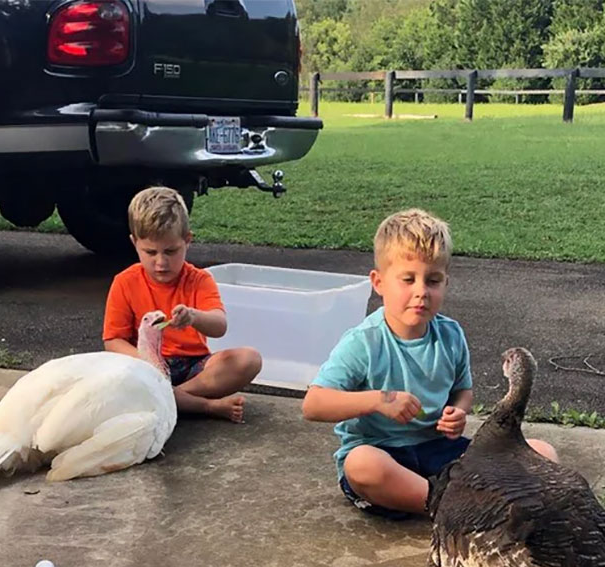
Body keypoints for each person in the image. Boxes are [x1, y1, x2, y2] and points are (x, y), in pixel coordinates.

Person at [302, 208, 557, 519]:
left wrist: (459, 412)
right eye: (407, 279)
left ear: (446, 282)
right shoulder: (363, 342)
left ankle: (463, 504)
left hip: (440, 452)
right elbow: (313, 405)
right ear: (378, 282)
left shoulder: (450, 334)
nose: (421, 291)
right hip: (386, 456)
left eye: (433, 280)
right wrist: (379, 400)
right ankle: (455, 507)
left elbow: (463, 391)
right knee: (362, 465)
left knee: (542, 453)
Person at [102, 186, 261, 422]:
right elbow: (113, 341)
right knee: (105, 378)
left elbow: (219, 325)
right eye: (150, 252)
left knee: (249, 360)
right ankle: (205, 406)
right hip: (145, 366)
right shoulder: (125, 282)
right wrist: (148, 363)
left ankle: (170, 398)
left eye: (171, 251)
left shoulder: (199, 279)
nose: (161, 262)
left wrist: (194, 317)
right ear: (134, 243)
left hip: (193, 369)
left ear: (188, 240)